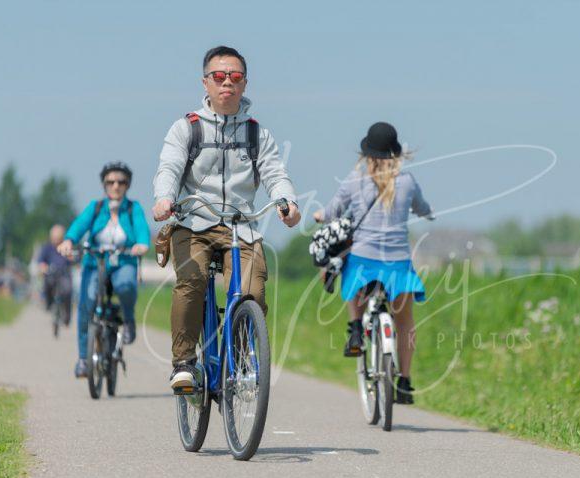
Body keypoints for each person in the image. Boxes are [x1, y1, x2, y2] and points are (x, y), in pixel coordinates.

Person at [152, 46, 301, 391]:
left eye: (234, 77)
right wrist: (164, 198)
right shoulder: (185, 129)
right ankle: (184, 363)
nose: (227, 84)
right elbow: (170, 167)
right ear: (205, 82)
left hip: (241, 227)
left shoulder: (256, 134)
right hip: (194, 224)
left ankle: (241, 359)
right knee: (192, 280)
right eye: (219, 77)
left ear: (245, 84)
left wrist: (287, 202)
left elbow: (275, 173)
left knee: (253, 291)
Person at [313, 122, 432, 404]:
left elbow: (331, 211)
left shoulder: (354, 180)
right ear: (397, 153)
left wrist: (320, 215)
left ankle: (355, 328)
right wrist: (428, 213)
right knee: (405, 322)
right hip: (398, 265)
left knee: (348, 268)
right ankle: (404, 381)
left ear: (366, 152)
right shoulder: (407, 182)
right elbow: (423, 207)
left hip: (364, 263)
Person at [58, 161, 150, 378]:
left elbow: (141, 228)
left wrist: (142, 244)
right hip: (95, 263)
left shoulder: (133, 208)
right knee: (86, 302)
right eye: (110, 182)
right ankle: (83, 358)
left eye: (120, 182)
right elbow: (80, 225)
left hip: (123, 262)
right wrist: (69, 241)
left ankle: (128, 320)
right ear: (104, 185)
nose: (115, 186)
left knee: (126, 285)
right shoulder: (96, 207)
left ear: (127, 185)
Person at [37, 224, 73, 325]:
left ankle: (67, 314)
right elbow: (41, 261)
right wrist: (43, 267)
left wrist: (72, 258)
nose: (56, 241)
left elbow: (74, 260)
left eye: (58, 238)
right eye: (54, 238)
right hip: (51, 273)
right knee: (47, 284)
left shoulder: (66, 247)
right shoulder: (47, 248)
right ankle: (49, 304)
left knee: (67, 290)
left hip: (64, 274)